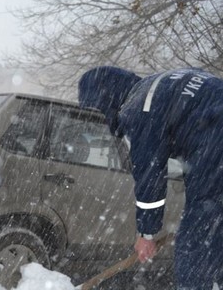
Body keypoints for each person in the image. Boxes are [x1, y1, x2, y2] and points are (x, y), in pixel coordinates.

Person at [78, 66, 223, 289]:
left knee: (196, 244)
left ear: (105, 99)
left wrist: (146, 232)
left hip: (216, 143)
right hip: (213, 139)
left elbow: (150, 171)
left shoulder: (140, 107)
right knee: (213, 234)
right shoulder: (159, 83)